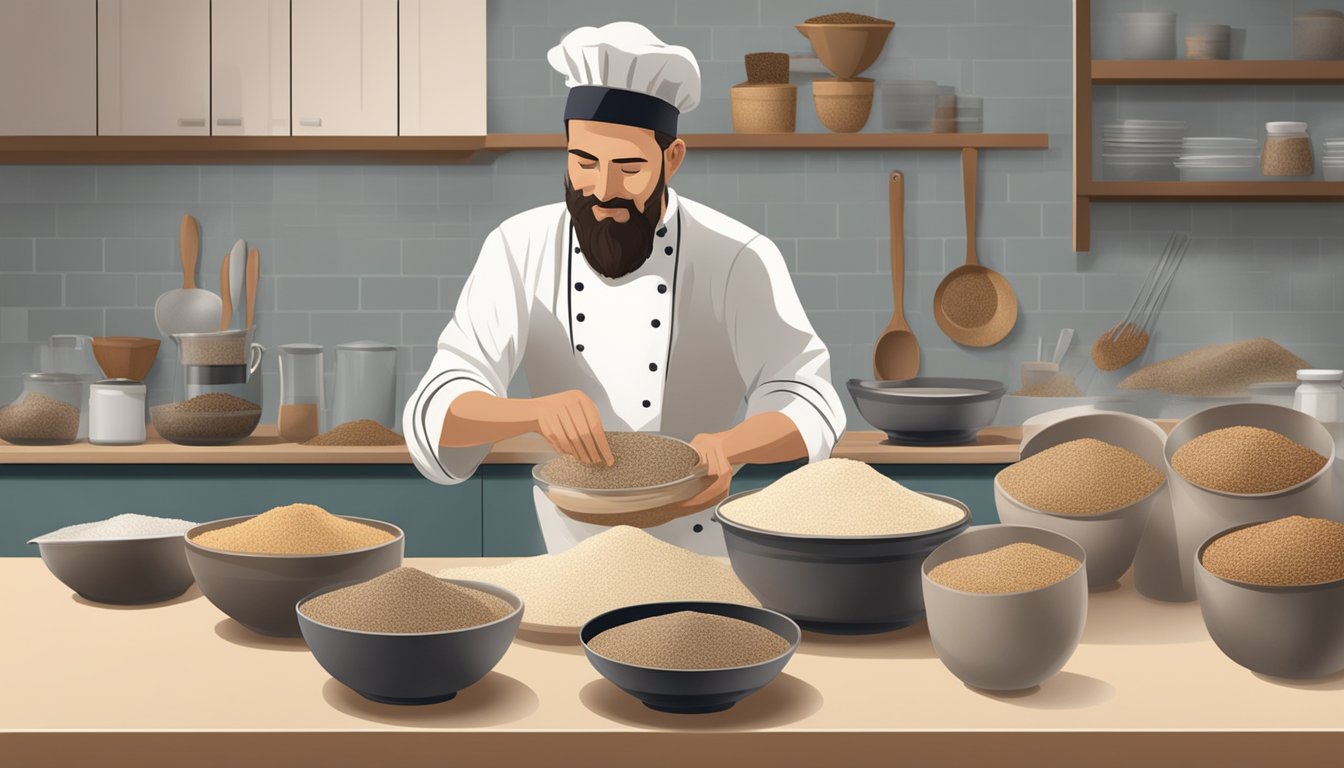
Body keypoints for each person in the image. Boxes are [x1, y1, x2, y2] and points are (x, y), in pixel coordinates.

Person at [405, 22, 845, 555]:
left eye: (629, 167)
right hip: (570, 556)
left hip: (702, 552)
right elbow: (441, 401)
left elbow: (809, 397)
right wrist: (533, 413)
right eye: (583, 162)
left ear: (672, 158)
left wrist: (731, 446)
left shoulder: (737, 256)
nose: (603, 190)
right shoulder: (518, 246)